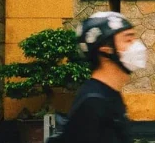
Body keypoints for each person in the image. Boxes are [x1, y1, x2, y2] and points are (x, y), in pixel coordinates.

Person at [57, 12, 147, 143]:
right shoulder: (92, 104)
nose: (137, 46)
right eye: (128, 39)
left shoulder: (110, 95)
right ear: (106, 49)